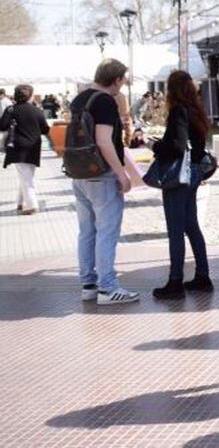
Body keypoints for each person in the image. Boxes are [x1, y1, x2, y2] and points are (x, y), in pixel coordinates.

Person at [70, 59, 139, 305]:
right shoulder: (105, 101)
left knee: (87, 231)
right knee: (107, 231)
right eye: (123, 80)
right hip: (101, 173)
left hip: (79, 171)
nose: (123, 85)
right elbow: (104, 140)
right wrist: (121, 172)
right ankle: (107, 288)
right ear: (117, 79)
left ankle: (88, 284)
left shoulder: (80, 98)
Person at [149, 71, 213, 299]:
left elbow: (176, 147)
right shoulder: (196, 111)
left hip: (179, 178)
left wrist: (155, 146)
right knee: (191, 225)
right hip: (194, 173)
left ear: (172, 90)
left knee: (176, 229)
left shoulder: (178, 112)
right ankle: (203, 276)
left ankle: (175, 281)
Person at [1, 84, 49, 215]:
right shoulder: (37, 110)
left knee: (26, 176)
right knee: (27, 175)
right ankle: (25, 204)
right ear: (30, 95)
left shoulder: (11, 110)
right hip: (33, 147)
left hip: (17, 146)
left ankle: (29, 205)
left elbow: (2, 126)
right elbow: (45, 129)